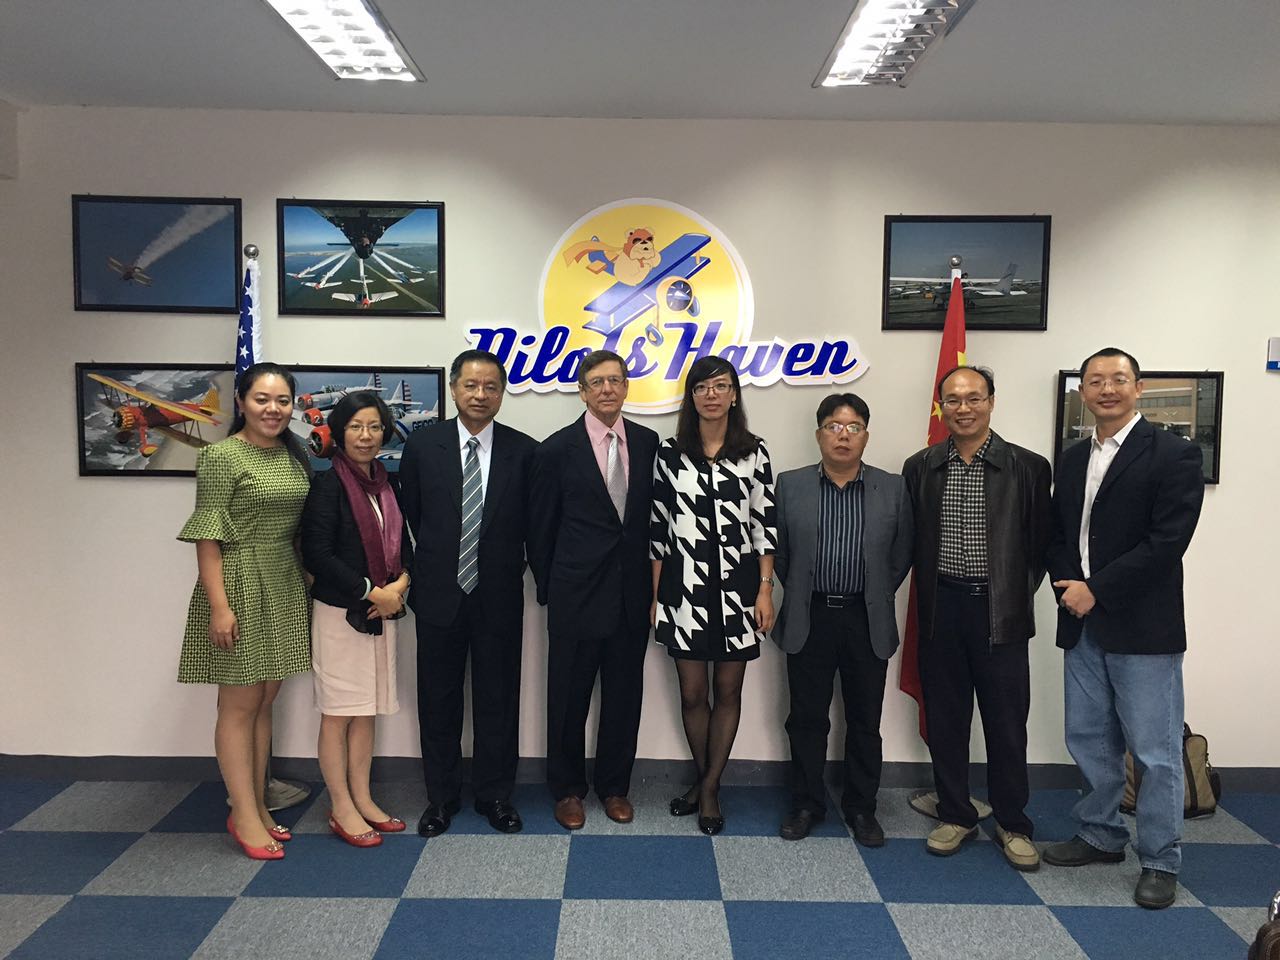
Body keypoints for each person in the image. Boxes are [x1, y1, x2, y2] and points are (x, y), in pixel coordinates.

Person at [1043, 347, 1205, 910]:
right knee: (1089, 739)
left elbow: (1167, 542)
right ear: (1083, 392)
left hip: (1143, 628)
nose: (1106, 389)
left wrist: (1097, 589)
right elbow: (1057, 534)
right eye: (1095, 381)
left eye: (1118, 379)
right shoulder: (1071, 459)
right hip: (1081, 623)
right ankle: (1100, 834)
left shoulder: (1174, 454)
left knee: (1154, 751)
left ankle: (1160, 858)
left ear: (1139, 388)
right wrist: (1069, 586)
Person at [901, 365, 1051, 871]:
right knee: (947, 720)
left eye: (973, 398)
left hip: (1000, 612)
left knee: (1007, 724)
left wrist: (1009, 593)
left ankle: (1013, 822)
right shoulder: (920, 466)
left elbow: (1039, 546)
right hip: (941, 609)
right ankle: (956, 814)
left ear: (991, 401)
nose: (963, 408)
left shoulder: (1028, 467)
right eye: (953, 399)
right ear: (940, 406)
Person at [399, 349, 538, 837]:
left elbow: (533, 526)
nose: (481, 395)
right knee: (438, 700)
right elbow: (413, 515)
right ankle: (441, 798)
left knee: (499, 700)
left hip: (498, 596)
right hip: (439, 593)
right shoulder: (423, 446)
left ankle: (496, 795)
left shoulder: (525, 451)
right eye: (471, 385)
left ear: (502, 393)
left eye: (491, 386)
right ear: (454, 389)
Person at [177, 362, 313, 861]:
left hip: (282, 580)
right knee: (238, 704)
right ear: (241, 402)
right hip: (237, 582)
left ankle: (256, 801)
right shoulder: (220, 456)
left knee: (264, 699)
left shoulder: (292, 453)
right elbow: (207, 537)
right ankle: (243, 813)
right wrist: (219, 606)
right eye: (262, 399)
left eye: (282, 400)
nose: (273, 409)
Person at [772, 393, 912, 846]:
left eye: (853, 427)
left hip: (865, 617)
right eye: (834, 426)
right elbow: (781, 554)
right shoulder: (790, 485)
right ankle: (806, 804)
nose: (843, 435)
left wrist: (873, 593)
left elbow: (901, 554)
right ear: (819, 434)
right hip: (809, 614)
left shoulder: (892, 487)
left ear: (866, 435)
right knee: (806, 719)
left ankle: (861, 808)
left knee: (865, 721)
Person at [528, 350, 659, 830]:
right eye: (597, 382)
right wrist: (552, 588)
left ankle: (614, 787)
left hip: (630, 595)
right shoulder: (554, 450)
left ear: (626, 388)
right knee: (568, 699)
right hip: (575, 596)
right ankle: (567, 790)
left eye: (615, 380)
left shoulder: (647, 443)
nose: (607, 389)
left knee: (624, 697)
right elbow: (540, 530)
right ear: (582, 391)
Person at [650, 355, 777, 835]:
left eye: (721, 386)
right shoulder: (669, 453)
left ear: (734, 394)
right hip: (684, 588)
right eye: (702, 387)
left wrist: (765, 590)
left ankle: (708, 789)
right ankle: (706, 782)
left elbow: (765, 525)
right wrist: (656, 597)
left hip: (739, 590)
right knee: (692, 693)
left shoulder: (754, 452)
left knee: (728, 691)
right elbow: (657, 531)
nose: (711, 395)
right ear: (691, 396)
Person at [301, 391, 413, 848]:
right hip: (341, 615)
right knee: (338, 714)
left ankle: (363, 797)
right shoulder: (328, 485)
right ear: (339, 433)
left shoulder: (387, 484)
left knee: (366, 712)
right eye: (355, 427)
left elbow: (403, 546)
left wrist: (400, 586)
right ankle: (340, 805)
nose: (366, 436)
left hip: (381, 614)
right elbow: (317, 554)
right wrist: (372, 591)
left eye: (374, 427)